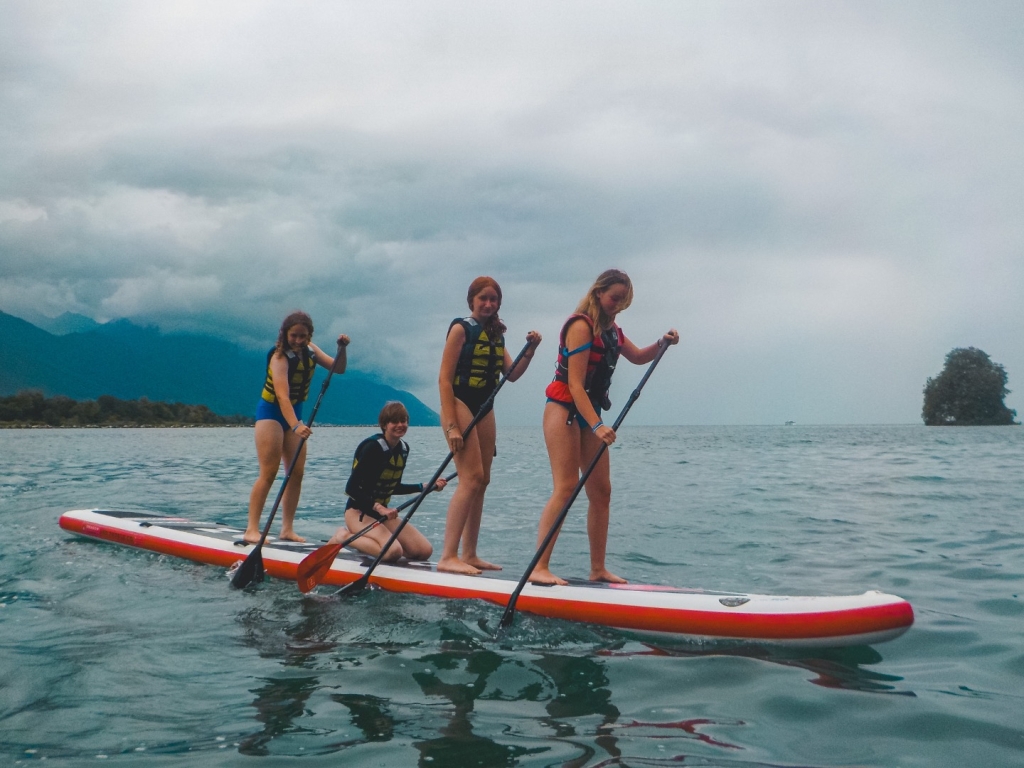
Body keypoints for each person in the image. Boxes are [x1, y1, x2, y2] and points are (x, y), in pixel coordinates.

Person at [529, 269, 678, 585]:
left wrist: (661, 343)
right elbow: (574, 383)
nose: (618, 305)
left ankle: (598, 569)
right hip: (564, 409)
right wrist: (597, 425)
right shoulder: (581, 327)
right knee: (567, 486)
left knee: (602, 491)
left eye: (624, 300)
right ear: (598, 293)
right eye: (614, 298)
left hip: (589, 413)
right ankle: (540, 567)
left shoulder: (613, 331)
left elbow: (638, 357)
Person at [437, 276, 542, 575]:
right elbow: (444, 379)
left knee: (482, 481)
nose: (488, 304)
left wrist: (530, 350)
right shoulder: (460, 329)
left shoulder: (496, 335)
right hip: (457, 404)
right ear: (471, 300)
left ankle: (469, 554)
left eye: (494, 299)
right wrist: (452, 427)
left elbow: (512, 374)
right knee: (470, 478)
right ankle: (448, 556)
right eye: (483, 298)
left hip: (484, 407)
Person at [244, 311, 349, 544]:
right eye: (294, 336)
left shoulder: (311, 350)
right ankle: (252, 528)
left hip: (295, 414)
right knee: (269, 473)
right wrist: (295, 426)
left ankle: (287, 529)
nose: (299, 340)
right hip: (271, 414)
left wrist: (342, 350)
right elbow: (282, 396)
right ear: (285, 334)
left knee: (296, 473)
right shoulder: (279, 357)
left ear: (309, 335)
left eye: (303, 336)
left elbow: (338, 368)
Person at [326, 401, 443, 562]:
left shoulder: (403, 449)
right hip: (358, 513)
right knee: (393, 551)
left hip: (381, 515)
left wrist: (424, 487)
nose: (400, 425)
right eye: (395, 421)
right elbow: (351, 488)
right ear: (384, 425)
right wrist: (379, 507)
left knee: (423, 551)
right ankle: (343, 537)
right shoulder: (372, 447)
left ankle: (375, 545)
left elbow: (393, 487)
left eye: (404, 421)